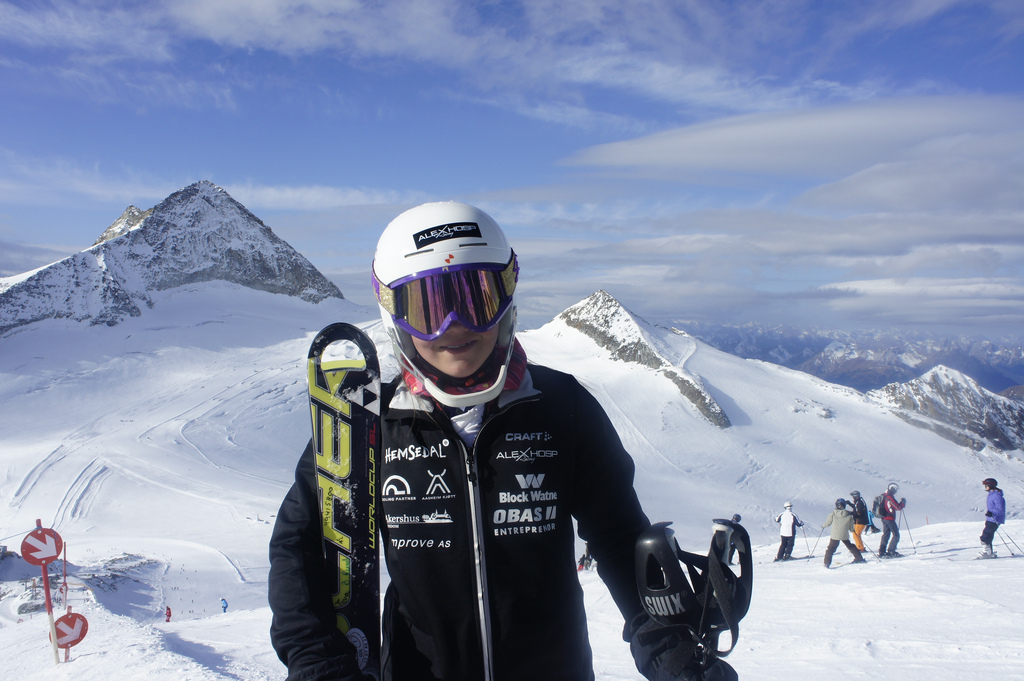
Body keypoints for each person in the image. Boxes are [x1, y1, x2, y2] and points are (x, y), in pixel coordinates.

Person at [268, 202, 736, 681]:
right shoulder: (371, 424)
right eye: (427, 308)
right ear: (393, 314)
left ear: (506, 297)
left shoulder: (560, 407)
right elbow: (299, 546)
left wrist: (670, 648)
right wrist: (319, 664)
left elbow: (619, 536)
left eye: (476, 298)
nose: (454, 325)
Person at [822, 499, 865, 568]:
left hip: (835, 534)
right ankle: (859, 558)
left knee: (831, 549)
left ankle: (827, 563)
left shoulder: (833, 513)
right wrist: (853, 530)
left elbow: (828, 523)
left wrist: (823, 526)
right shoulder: (848, 515)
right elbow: (850, 526)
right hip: (844, 534)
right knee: (850, 546)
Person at [979, 477, 1006, 559]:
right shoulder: (991, 494)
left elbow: (1000, 510)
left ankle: (987, 553)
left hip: (995, 519)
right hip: (990, 519)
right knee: (988, 535)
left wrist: (992, 513)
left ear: (991, 485)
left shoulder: (997, 496)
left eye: (986, 485)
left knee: (985, 536)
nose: (985, 487)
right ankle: (989, 552)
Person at [878, 483, 907, 558]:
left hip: (884, 518)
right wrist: (903, 503)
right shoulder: (889, 497)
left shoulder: (884, 496)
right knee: (896, 535)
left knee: (886, 535)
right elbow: (898, 507)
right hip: (889, 518)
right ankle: (891, 551)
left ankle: (882, 551)